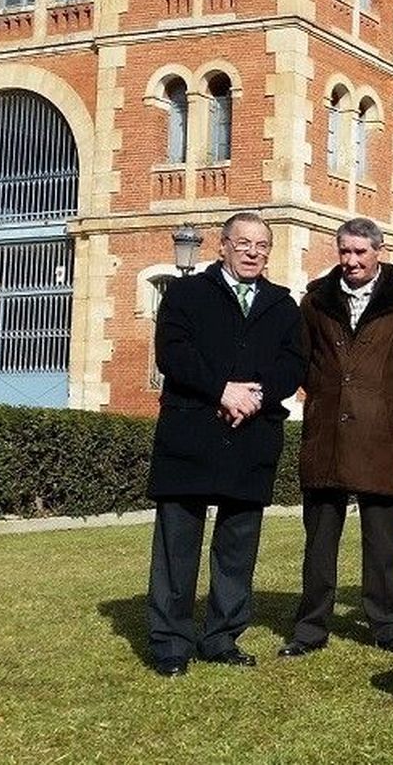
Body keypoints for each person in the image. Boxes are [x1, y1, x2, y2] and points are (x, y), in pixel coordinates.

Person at [144, 212, 306, 678]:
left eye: (262, 245)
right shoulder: (186, 294)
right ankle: (171, 642)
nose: (253, 252)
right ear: (223, 247)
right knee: (178, 544)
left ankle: (221, 637)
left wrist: (253, 395)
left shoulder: (283, 305)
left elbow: (294, 364)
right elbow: (173, 353)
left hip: (250, 436)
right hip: (191, 431)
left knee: (237, 545)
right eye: (243, 243)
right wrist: (222, 390)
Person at [285, 217, 393, 655]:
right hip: (326, 436)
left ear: (380, 251)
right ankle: (310, 628)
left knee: (384, 542)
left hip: (382, 439)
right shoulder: (316, 300)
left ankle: (389, 625)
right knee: (318, 542)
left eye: (360, 252)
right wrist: (321, 399)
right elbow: (302, 359)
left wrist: (391, 409)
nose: (351, 261)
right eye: (345, 251)